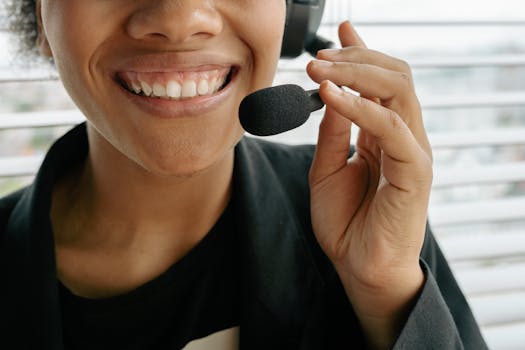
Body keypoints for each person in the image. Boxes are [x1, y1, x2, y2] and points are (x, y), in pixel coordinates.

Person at [0, 1, 488, 349]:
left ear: (295, 14)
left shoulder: (367, 213)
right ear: (41, 17)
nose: (180, 17)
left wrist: (386, 296)